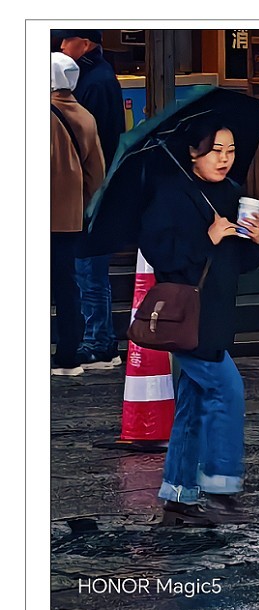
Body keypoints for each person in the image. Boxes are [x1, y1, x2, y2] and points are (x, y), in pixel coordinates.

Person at [138, 114, 259, 527]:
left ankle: (178, 495)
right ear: (193, 153)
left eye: (230, 151)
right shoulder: (170, 194)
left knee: (193, 403)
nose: (225, 159)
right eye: (215, 150)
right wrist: (206, 238)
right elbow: (162, 255)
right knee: (227, 388)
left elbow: (240, 261)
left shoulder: (233, 193)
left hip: (218, 313)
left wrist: (258, 240)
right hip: (186, 317)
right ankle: (221, 484)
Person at [56, 29, 126, 370]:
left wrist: (90, 195)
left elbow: (92, 153)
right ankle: (102, 341)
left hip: (90, 195)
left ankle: (98, 341)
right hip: (94, 191)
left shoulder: (93, 84)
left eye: (64, 40)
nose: (60, 46)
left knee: (88, 270)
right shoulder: (99, 77)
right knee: (89, 271)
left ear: (83, 43)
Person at [50, 53, 106, 376]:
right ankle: (69, 353)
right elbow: (96, 172)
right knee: (67, 282)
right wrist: (84, 202)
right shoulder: (85, 117)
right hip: (71, 217)